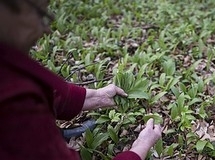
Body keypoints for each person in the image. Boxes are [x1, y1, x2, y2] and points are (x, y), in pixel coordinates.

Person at [0, 0, 162, 160]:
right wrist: (140, 147)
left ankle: (55, 135)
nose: (47, 29)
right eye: (41, 14)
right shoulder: (14, 103)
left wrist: (97, 97)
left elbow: (41, 90)